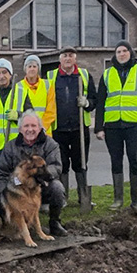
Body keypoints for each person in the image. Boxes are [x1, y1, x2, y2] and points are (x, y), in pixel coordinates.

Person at [94, 40, 137, 215]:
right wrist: (99, 127)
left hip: (135, 125)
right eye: (118, 51)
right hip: (112, 125)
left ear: (130, 53)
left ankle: (135, 201)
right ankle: (118, 199)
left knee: (134, 160)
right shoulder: (107, 74)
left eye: (124, 51)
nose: (121, 54)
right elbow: (100, 102)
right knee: (116, 161)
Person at [0, 111, 68, 237]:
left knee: (57, 188)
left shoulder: (50, 144)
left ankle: (54, 222)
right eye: (26, 126)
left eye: (33, 126)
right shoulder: (10, 146)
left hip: (42, 186)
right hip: (18, 191)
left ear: (40, 128)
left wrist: (38, 177)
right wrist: (6, 195)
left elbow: (56, 167)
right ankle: (10, 228)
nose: (30, 129)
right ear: (20, 129)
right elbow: (1, 173)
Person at [46, 47, 96, 208]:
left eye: (71, 56)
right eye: (65, 56)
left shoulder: (84, 75)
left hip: (79, 129)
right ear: (60, 59)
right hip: (58, 129)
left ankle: (84, 196)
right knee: (62, 165)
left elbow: (95, 99)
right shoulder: (51, 77)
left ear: (75, 59)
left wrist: (87, 103)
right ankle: (63, 197)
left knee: (81, 163)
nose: (68, 58)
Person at [12, 54, 55, 134]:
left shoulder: (48, 85)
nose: (32, 69)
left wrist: (41, 127)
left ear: (38, 69)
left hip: (44, 131)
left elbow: (51, 110)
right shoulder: (18, 87)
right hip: (26, 131)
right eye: (29, 66)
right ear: (25, 69)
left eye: (34, 66)